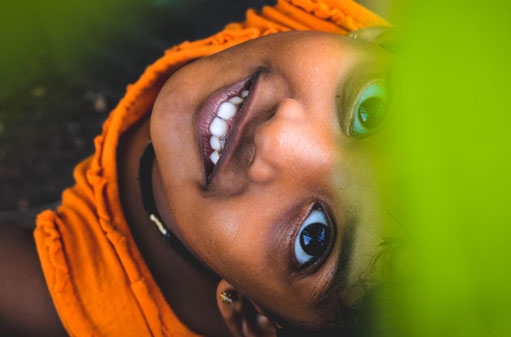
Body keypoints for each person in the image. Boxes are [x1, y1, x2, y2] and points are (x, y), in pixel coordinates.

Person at [0, 0, 395, 336]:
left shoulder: (112, 304)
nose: (279, 137)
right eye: (371, 111)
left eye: (314, 239)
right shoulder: (329, 27)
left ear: (252, 318)